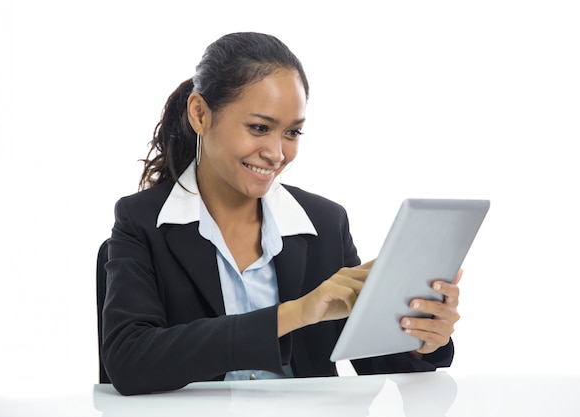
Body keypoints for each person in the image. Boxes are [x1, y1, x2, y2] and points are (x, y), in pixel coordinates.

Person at [102, 32, 462, 396]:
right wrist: (295, 313)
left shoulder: (324, 223)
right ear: (200, 114)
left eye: (292, 132)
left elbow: (377, 360)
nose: (276, 153)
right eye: (259, 128)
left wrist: (422, 337)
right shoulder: (142, 222)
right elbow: (130, 362)